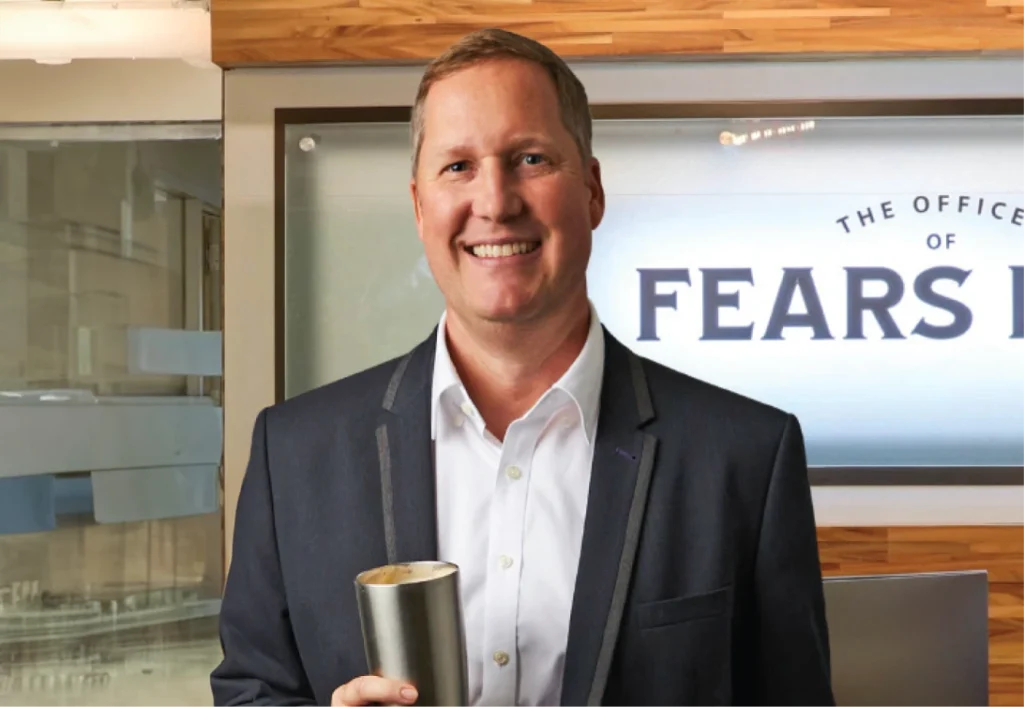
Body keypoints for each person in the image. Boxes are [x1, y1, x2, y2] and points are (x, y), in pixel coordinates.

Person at [211, 28, 835, 707]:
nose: (496, 201)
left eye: (531, 158)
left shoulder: (744, 456)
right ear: (420, 207)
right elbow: (252, 689)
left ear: (593, 191)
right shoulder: (294, 453)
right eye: (457, 167)